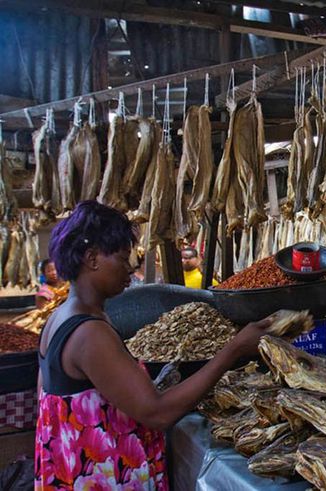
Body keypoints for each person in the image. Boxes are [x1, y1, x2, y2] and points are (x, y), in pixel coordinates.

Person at [35, 201, 270, 489]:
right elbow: (157, 413)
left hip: (77, 471)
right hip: (103, 477)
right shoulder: (89, 332)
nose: (129, 268)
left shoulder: (60, 318)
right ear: (92, 258)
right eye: (121, 259)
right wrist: (233, 349)